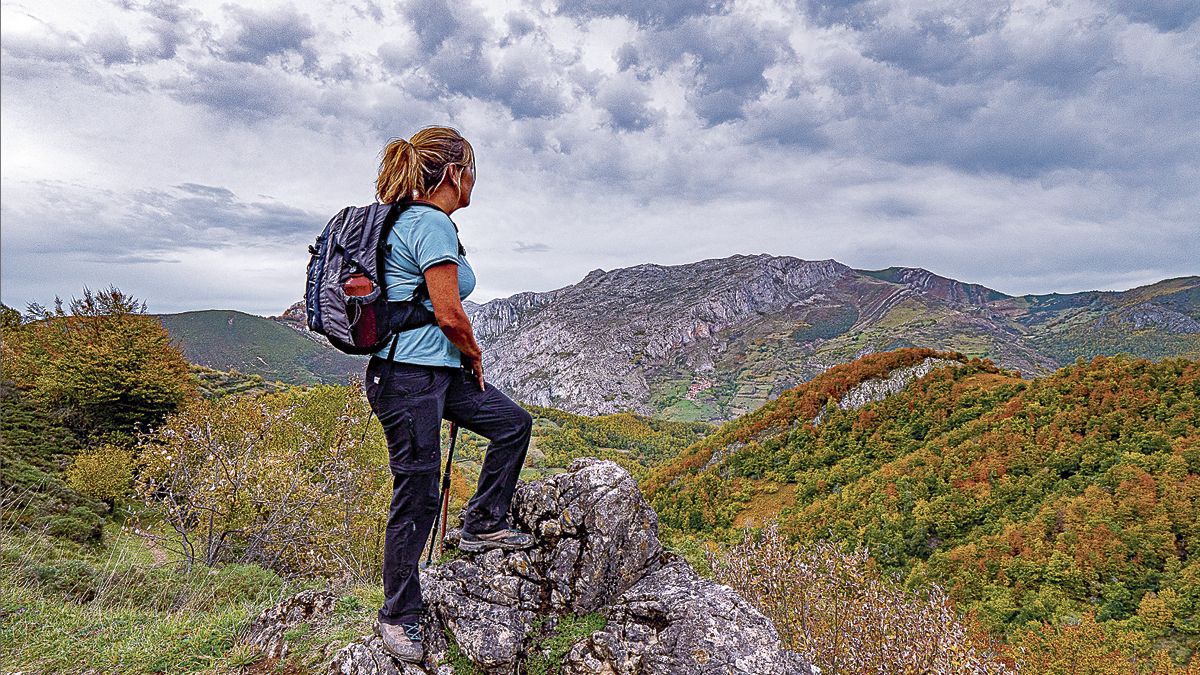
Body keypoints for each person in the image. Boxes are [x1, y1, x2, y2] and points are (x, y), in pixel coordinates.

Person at [365, 126, 534, 663]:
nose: (475, 180)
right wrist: (475, 353)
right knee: (417, 492)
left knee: (512, 424)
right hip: (408, 378)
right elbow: (448, 312)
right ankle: (398, 614)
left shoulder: (418, 223)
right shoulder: (431, 223)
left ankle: (482, 523)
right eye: (473, 170)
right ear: (455, 173)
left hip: (432, 374)